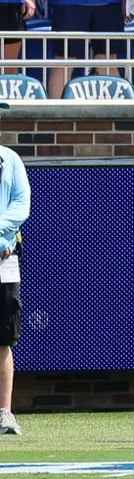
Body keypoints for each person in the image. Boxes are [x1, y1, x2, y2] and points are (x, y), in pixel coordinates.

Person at [0, 142, 25, 435]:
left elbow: (21, 205)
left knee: (3, 338)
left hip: (4, 260)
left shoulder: (11, 160)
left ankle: (4, 413)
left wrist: (2, 238)